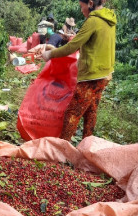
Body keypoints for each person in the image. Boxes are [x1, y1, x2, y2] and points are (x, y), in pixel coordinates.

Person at [42, 0, 116, 141]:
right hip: (105, 74)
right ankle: (86, 147)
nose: (81, 10)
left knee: (73, 113)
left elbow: (71, 47)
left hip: (92, 76)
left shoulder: (93, 21)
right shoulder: (109, 18)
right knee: (91, 111)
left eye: (82, 7)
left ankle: (61, 150)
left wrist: (50, 54)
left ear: (90, 3)